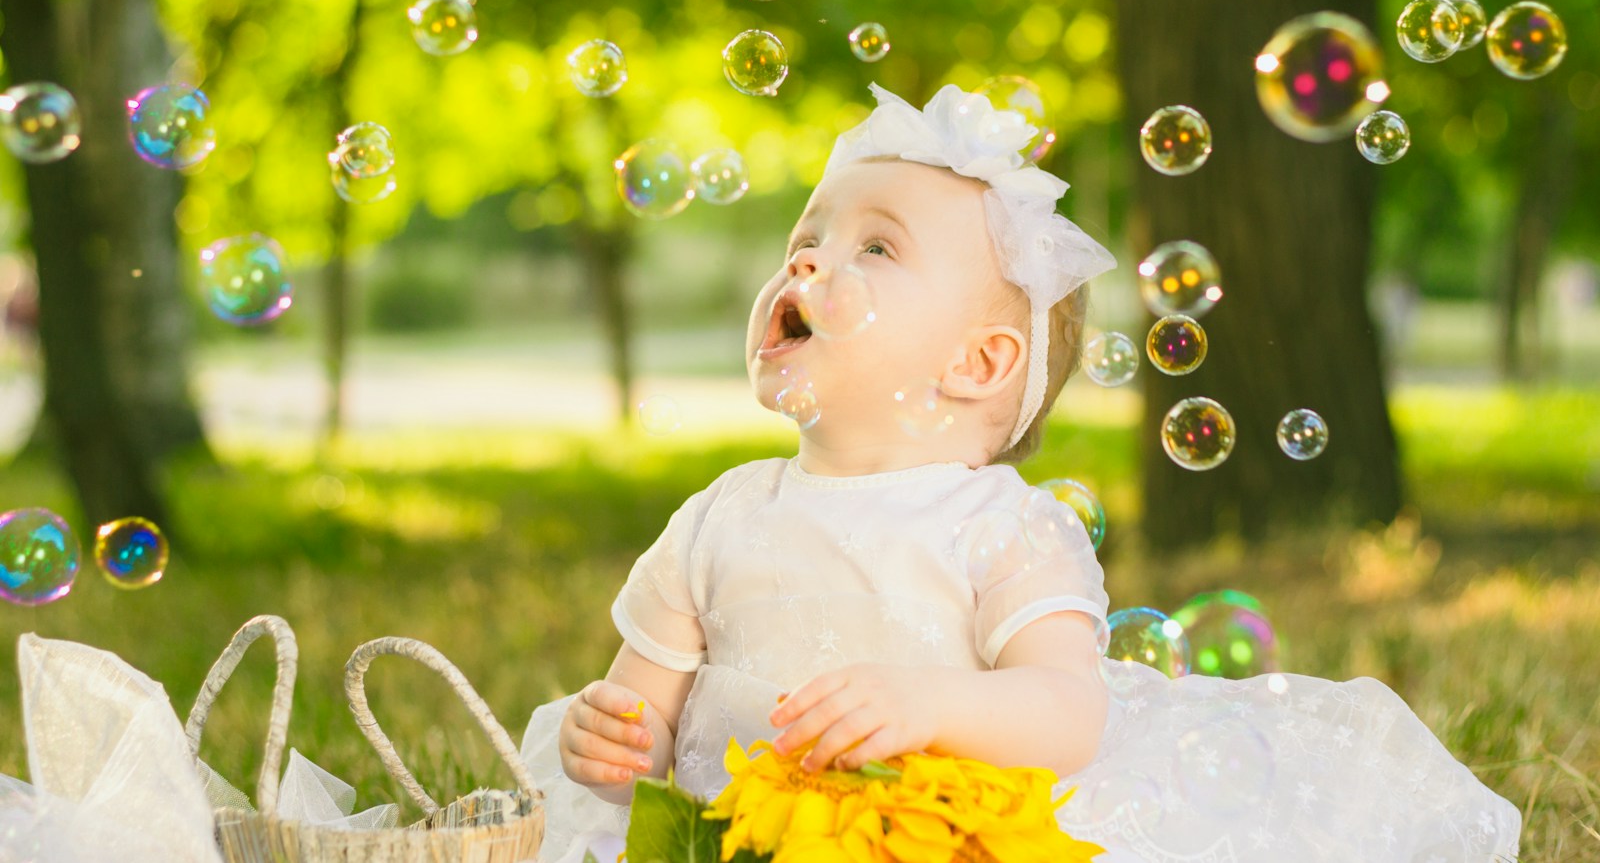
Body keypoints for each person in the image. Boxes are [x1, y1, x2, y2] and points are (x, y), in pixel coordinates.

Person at [520, 84, 1520, 863]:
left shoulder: (1001, 525)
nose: (808, 264)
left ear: (978, 363)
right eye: (806, 239)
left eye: (876, 245)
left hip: (957, 836)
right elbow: (641, 736)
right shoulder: (718, 517)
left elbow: (1066, 711)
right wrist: (610, 745)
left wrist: (928, 704)